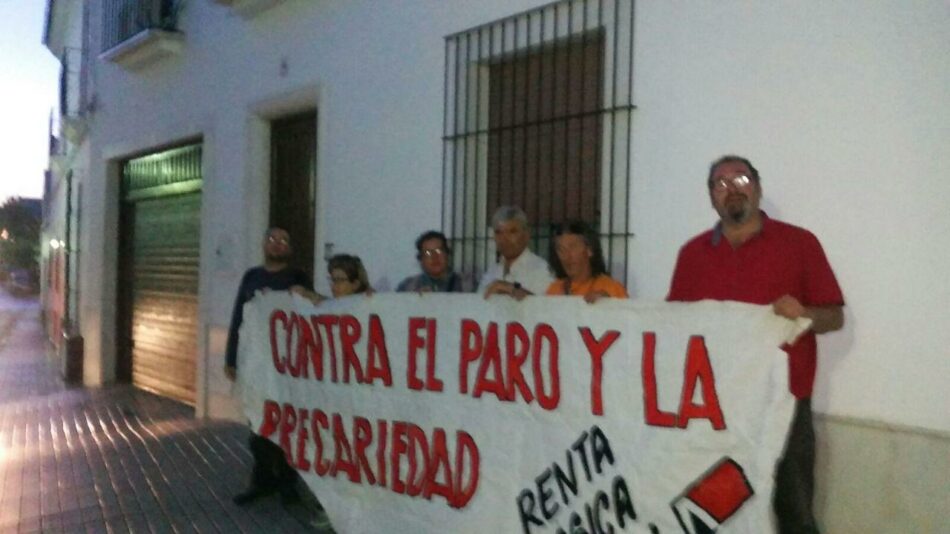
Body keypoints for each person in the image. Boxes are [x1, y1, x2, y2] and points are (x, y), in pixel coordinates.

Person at [667, 155, 844, 534]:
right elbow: (670, 327)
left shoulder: (800, 243)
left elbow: (834, 318)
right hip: (714, 408)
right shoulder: (692, 255)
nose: (732, 188)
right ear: (711, 197)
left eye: (741, 178)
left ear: (758, 188)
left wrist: (804, 314)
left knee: (793, 511)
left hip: (783, 405)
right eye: (720, 183)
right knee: (716, 513)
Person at [225, 227, 315, 506]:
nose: (277, 245)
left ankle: (287, 482)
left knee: (286, 425)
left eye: (284, 241)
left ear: (290, 248)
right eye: (273, 239)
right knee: (259, 425)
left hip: (287, 366)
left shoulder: (298, 277)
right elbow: (239, 315)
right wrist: (231, 357)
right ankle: (263, 480)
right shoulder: (252, 277)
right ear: (264, 243)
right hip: (256, 364)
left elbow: (311, 313)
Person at [478, 206, 554, 300]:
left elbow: (548, 308)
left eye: (512, 232)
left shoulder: (540, 269)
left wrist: (509, 288)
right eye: (498, 232)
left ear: (526, 235)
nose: (504, 239)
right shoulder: (492, 271)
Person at [546, 221, 628, 302]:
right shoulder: (554, 290)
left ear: (590, 250)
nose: (567, 256)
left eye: (573, 247)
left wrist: (607, 303)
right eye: (561, 250)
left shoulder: (611, 288)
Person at [396, 230, 472, 293]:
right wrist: (414, 300)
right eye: (428, 253)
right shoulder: (407, 287)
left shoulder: (467, 285)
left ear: (447, 254)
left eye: (438, 251)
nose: (435, 257)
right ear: (421, 259)